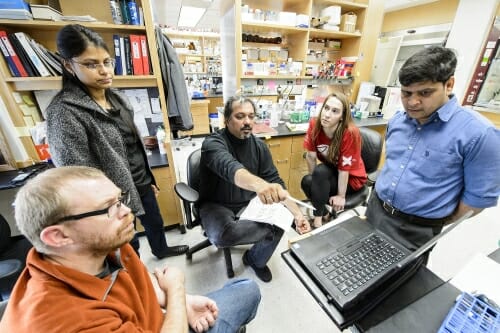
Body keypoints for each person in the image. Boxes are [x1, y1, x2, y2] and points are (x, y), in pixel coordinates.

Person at [0, 166, 261, 333]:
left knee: (245, 289)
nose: (127, 212)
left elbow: (138, 281)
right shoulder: (64, 321)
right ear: (58, 236)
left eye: (120, 199)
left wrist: (183, 303)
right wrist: (176, 289)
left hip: (155, 323)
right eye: (109, 207)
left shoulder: (104, 244)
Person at [46, 24, 188, 259]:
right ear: (69, 65)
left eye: (107, 62)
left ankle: (161, 250)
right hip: (110, 195)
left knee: (154, 221)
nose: (104, 71)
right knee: (127, 240)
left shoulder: (118, 98)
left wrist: (147, 178)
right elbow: (75, 172)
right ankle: (133, 274)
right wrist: (105, 202)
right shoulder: (64, 111)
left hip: (140, 181)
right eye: (91, 64)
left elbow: (131, 143)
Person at [366, 46, 500, 252]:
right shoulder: (398, 121)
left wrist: (431, 222)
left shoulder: (479, 134)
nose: (412, 102)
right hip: (376, 208)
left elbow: (476, 200)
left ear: (449, 85)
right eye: (406, 93)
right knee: (354, 273)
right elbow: (393, 164)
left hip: (416, 229)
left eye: (425, 93)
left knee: (397, 283)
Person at [198, 96, 311, 282]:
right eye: (240, 116)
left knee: (283, 219)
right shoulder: (213, 143)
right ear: (226, 120)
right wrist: (260, 185)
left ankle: (254, 259)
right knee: (222, 235)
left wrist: (298, 215)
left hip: (248, 201)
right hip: (216, 204)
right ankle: (260, 232)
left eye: (251, 116)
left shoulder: (259, 147)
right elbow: (230, 167)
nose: (247, 122)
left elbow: (276, 182)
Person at [301, 92, 367, 229]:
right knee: (307, 181)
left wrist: (340, 196)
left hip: (352, 179)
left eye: (335, 111)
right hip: (331, 172)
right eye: (326, 108)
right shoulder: (315, 124)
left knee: (320, 171)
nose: (327, 114)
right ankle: (325, 214)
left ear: (342, 117)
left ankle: (318, 222)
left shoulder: (350, 133)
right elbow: (311, 157)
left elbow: (344, 169)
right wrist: (315, 183)